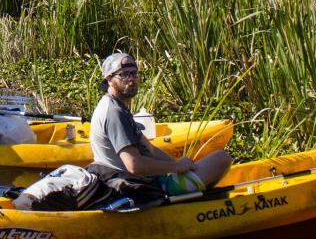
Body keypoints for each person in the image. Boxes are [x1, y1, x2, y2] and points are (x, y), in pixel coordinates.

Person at [90, 52, 231, 196]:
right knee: (222, 158)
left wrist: (179, 165)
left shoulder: (118, 107)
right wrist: (175, 167)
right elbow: (134, 165)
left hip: (145, 180)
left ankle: (193, 197)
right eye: (124, 74)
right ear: (109, 79)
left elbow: (149, 149)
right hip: (140, 186)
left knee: (210, 164)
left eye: (134, 74)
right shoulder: (114, 112)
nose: (131, 79)